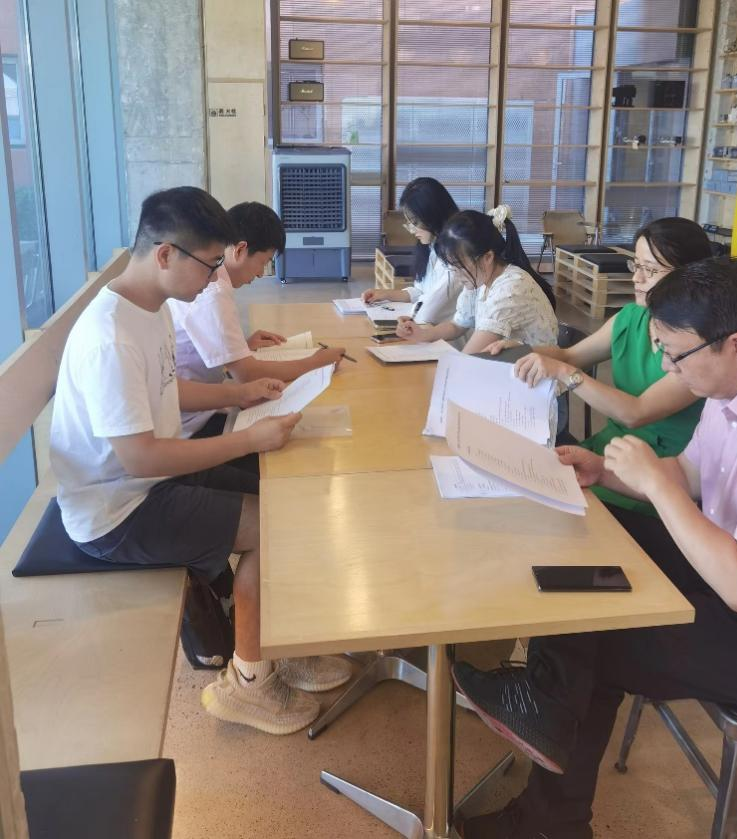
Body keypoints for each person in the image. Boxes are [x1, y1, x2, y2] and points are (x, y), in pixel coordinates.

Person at [452, 257, 737, 839]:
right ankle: (543, 712)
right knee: (584, 550)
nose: (666, 367)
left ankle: (549, 803)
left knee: (595, 639)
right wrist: (604, 471)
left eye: (675, 355)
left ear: (736, 345)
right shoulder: (733, 386)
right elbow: (691, 474)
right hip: (730, 562)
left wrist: (653, 480)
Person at [49, 187, 351, 737]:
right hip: (118, 510)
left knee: (286, 498)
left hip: (154, 478)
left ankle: (279, 644)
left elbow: (170, 389)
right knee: (275, 529)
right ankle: (248, 684)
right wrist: (248, 438)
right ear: (166, 254)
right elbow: (140, 456)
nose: (216, 279)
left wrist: (240, 394)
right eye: (211, 264)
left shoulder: (151, 307)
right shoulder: (109, 337)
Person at [486, 217, 713, 514]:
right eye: (636, 265)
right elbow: (569, 356)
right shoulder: (632, 318)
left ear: (689, 275)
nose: (636, 278)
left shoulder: (697, 346)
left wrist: (566, 374)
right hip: (606, 455)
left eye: (650, 269)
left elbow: (636, 413)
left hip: (654, 476)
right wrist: (523, 350)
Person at [168, 201, 345, 438]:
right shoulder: (213, 292)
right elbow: (248, 375)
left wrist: (241, 346)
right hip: (193, 424)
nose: (261, 273)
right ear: (240, 250)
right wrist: (315, 362)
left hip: (199, 404)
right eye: (263, 262)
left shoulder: (214, 283)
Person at [395, 207, 558, 354]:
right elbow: (457, 326)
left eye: (459, 266)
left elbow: (468, 359)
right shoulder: (480, 279)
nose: (456, 274)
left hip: (538, 375)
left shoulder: (510, 288)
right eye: (452, 267)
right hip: (514, 369)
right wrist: (422, 334)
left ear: (487, 257)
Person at [361, 177, 461, 326]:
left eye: (415, 223)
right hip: (426, 329)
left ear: (433, 215)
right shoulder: (431, 246)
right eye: (409, 223)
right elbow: (420, 291)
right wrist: (385, 294)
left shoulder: (456, 257)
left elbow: (427, 312)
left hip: (442, 334)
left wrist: (401, 313)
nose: (412, 230)